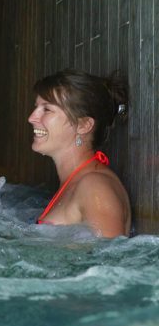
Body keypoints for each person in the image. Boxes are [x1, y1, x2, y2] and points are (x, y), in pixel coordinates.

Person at [28, 69, 130, 238]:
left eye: (46, 109)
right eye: (36, 107)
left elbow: (109, 262)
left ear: (83, 125)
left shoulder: (95, 188)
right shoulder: (76, 182)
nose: (31, 118)